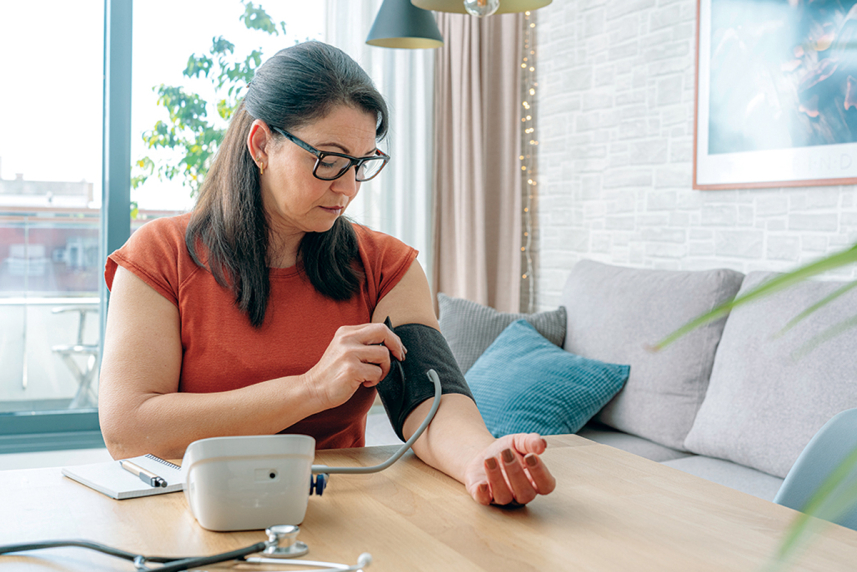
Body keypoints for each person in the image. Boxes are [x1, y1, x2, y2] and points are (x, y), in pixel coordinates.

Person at [99, 41, 555, 507]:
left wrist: (480, 457)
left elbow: (428, 397)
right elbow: (128, 429)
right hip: (192, 509)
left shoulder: (385, 266)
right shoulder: (160, 255)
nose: (348, 187)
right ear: (261, 144)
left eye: (361, 164)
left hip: (336, 509)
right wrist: (309, 389)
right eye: (329, 160)